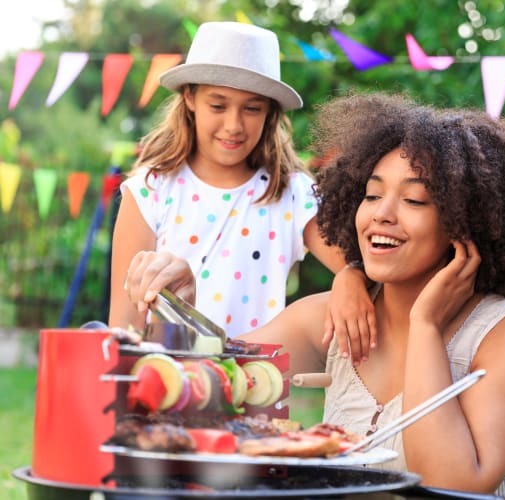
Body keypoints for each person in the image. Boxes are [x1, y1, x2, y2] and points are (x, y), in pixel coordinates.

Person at [126, 92, 505, 498]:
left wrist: (426, 325)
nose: (382, 215)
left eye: (414, 201)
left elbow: (451, 485)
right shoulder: (331, 317)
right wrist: (181, 309)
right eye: (372, 194)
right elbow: (206, 390)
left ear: (465, 222)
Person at [109, 21, 375, 362]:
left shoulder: (293, 193)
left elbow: (362, 266)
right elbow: (123, 326)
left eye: (252, 108)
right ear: (189, 97)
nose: (234, 125)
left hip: (256, 391)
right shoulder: (149, 191)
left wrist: (351, 275)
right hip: (167, 386)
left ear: (270, 112)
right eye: (218, 106)